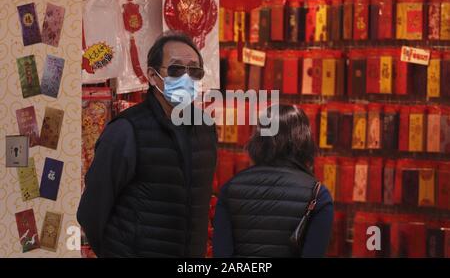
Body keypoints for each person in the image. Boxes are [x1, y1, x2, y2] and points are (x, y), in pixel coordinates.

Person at [77, 31, 217, 257]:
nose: (186, 77)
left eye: (194, 71)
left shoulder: (205, 129)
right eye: (176, 69)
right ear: (152, 76)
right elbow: (91, 211)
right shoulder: (126, 130)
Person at [212, 104, 333, 258]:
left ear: (258, 140)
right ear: (305, 141)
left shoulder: (230, 189)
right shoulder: (318, 196)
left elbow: (222, 253)